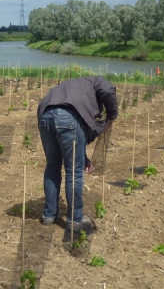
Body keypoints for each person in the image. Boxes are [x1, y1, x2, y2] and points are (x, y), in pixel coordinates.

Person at [37, 76, 118, 232]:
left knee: (52, 168)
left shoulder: (75, 86)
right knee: (74, 173)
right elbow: (108, 90)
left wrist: (84, 157)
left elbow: (77, 138)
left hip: (45, 117)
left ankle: (49, 216)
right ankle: (75, 220)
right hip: (68, 118)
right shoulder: (96, 81)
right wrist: (112, 115)